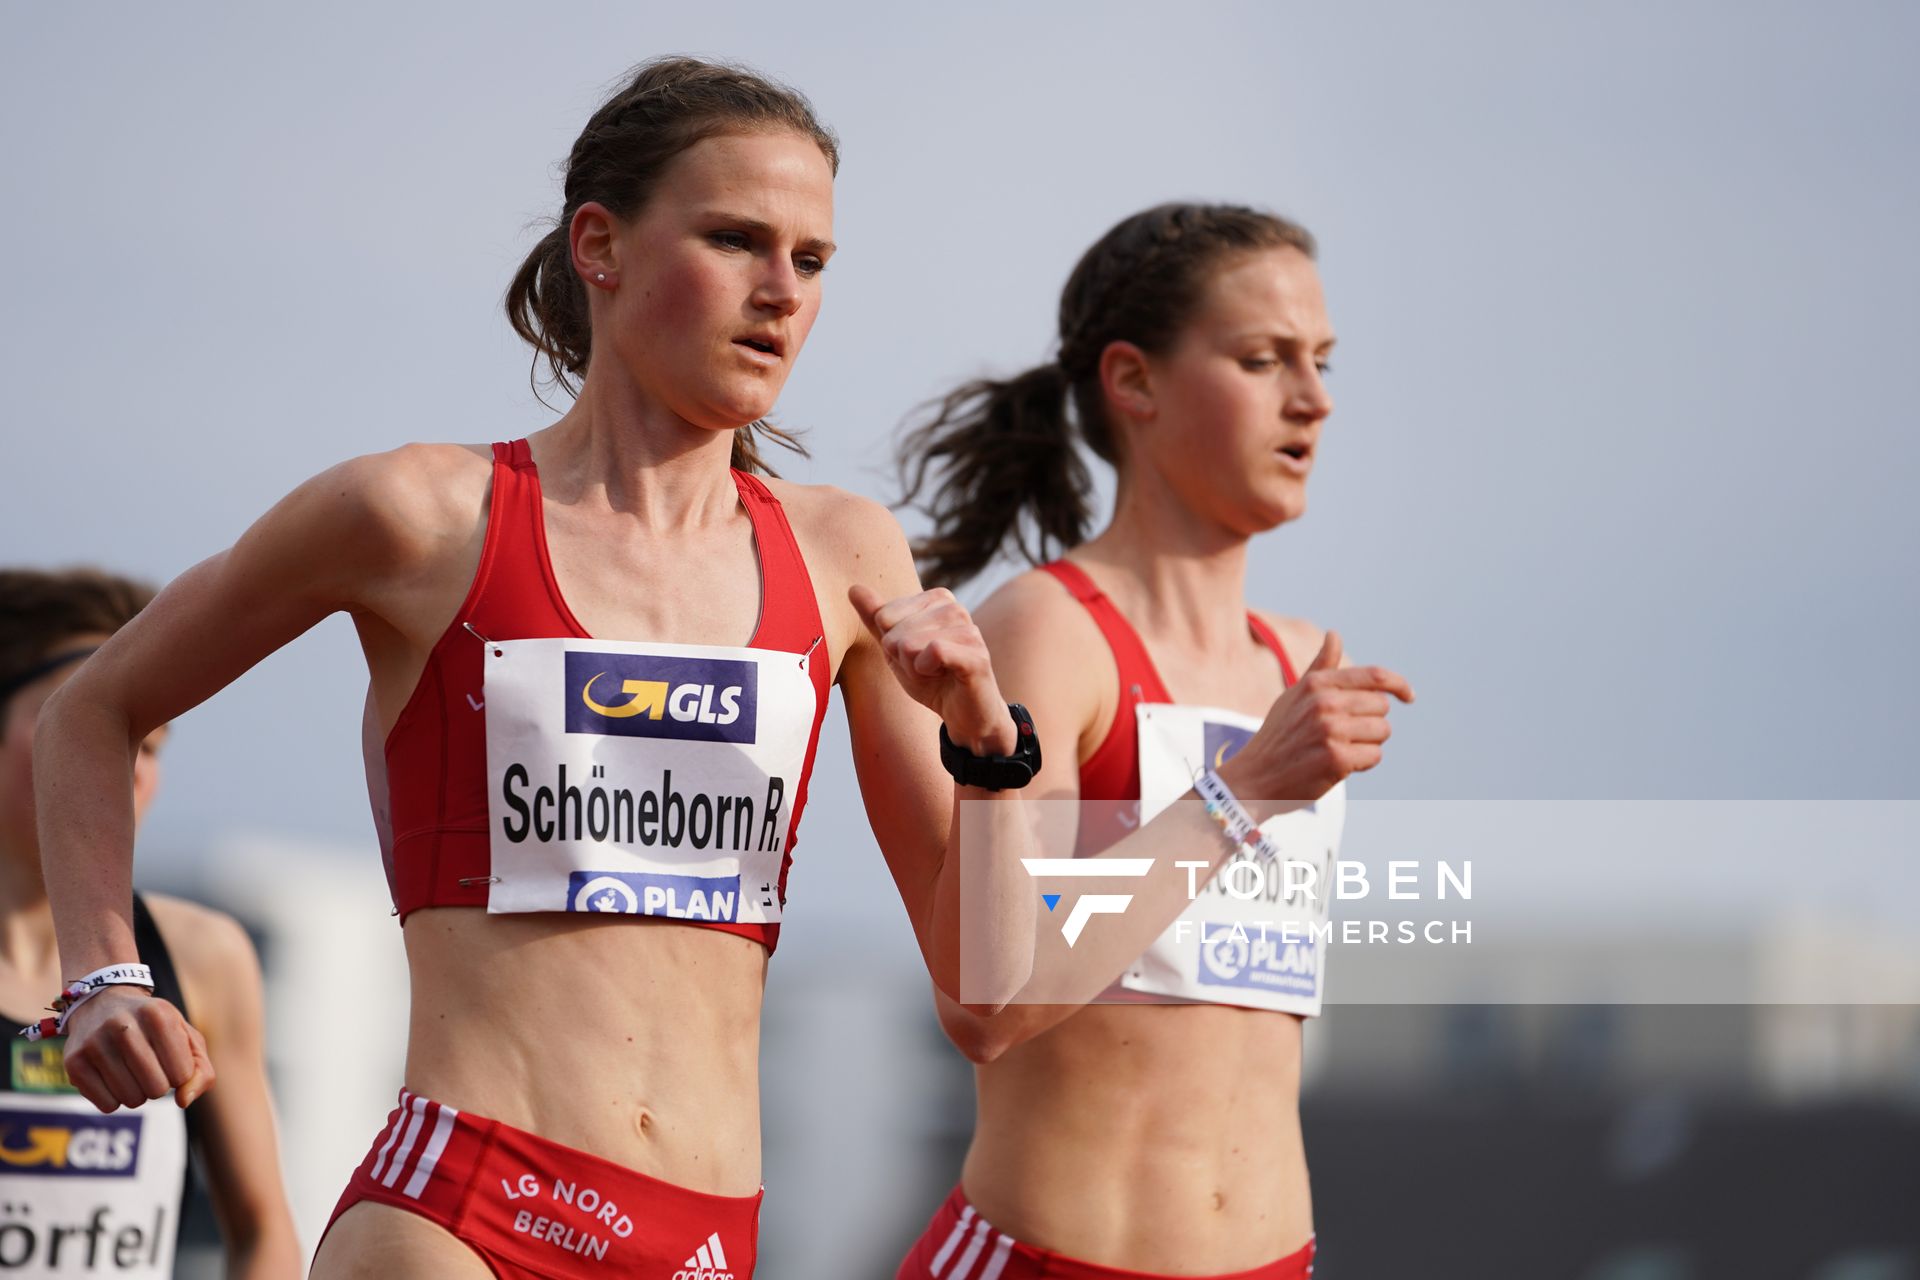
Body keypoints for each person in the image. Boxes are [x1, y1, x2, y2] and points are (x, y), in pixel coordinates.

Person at [32, 58, 1044, 1279]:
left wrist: (990, 746)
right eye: (735, 239)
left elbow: (989, 1007)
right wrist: (101, 977)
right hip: (463, 1213)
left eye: (813, 260)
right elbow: (94, 709)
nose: (781, 292)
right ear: (600, 245)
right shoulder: (416, 513)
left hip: (708, 1241)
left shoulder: (847, 557)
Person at [893, 204, 1413, 1279]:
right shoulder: (1050, 630)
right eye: (1262, 359)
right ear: (1134, 382)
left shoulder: (1302, 658)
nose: (1312, 397)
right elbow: (989, 1001)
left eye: (1320, 360)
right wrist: (1243, 792)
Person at [0, 567, 300, 1277]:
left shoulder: (201, 955)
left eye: (151, 744)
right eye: (78, 729)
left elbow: (263, 1234)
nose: (121, 768)